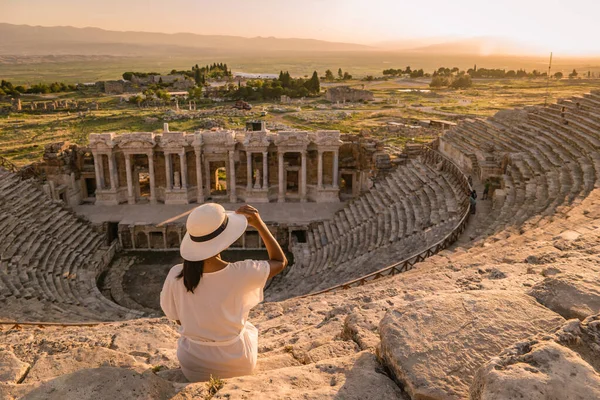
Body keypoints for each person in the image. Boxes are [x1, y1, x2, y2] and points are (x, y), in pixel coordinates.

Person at [160, 203, 288, 382]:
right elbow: (280, 261)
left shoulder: (176, 274)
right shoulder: (243, 272)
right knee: (248, 328)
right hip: (236, 363)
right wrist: (259, 224)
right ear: (225, 240)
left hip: (193, 364)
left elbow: (176, 317)